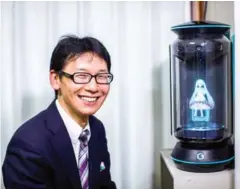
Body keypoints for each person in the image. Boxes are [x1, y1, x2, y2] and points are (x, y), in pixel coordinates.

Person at [2, 35, 117, 189]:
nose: (93, 87)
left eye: (102, 76)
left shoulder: (96, 129)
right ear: (56, 79)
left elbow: (104, 185)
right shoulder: (28, 145)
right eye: (81, 76)